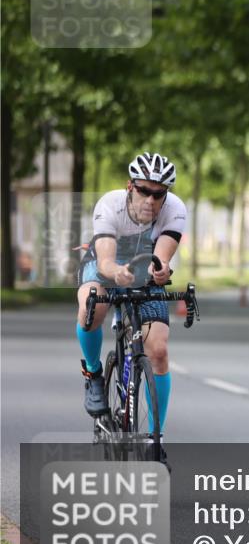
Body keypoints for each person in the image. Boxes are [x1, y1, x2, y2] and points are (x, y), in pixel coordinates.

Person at [76, 152, 185, 463]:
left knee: (158, 350)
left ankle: (154, 439)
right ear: (130, 187)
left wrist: (160, 270)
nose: (151, 200)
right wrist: (115, 273)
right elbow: (106, 261)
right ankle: (93, 374)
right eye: (144, 191)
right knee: (91, 304)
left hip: (142, 268)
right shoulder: (110, 205)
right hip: (105, 265)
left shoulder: (175, 209)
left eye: (158, 194)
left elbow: (161, 257)